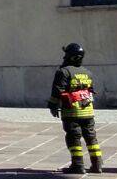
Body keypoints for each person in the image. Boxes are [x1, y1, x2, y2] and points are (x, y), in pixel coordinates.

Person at [48, 42, 102, 174]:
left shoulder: (63, 72)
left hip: (72, 113)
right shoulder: (87, 73)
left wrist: (53, 106)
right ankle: (97, 165)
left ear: (70, 56)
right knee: (91, 138)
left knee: (74, 138)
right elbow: (91, 90)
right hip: (88, 112)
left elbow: (57, 91)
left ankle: (77, 165)